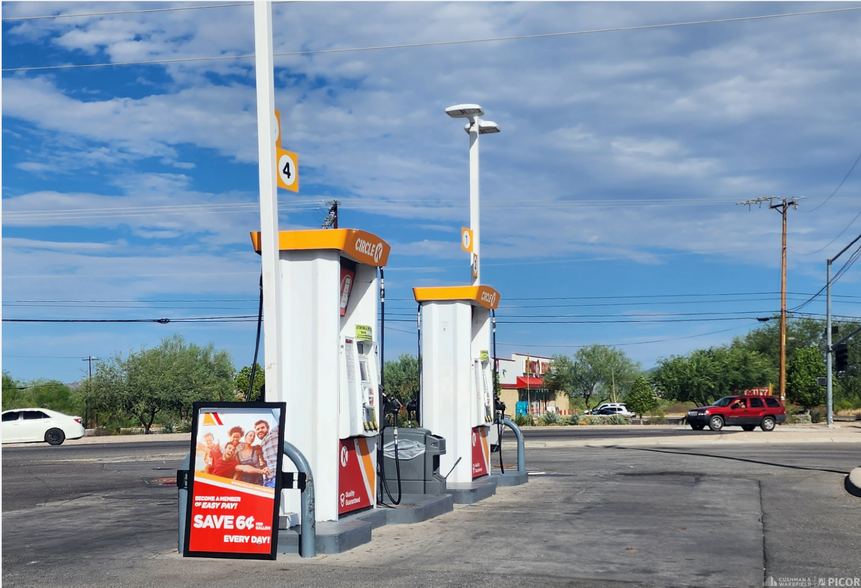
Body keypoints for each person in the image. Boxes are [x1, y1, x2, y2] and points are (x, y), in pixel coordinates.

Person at [205, 441, 270, 481]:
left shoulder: (232, 464)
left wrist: (261, 471)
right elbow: (203, 447)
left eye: (233, 450)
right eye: (229, 448)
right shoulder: (216, 455)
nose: (231, 450)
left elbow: (245, 468)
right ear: (224, 449)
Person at [255, 419, 279, 488]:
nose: (260, 430)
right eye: (257, 429)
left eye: (262, 427)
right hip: (268, 480)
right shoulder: (261, 445)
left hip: (276, 477)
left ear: (268, 428)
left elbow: (286, 420)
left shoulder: (273, 433)